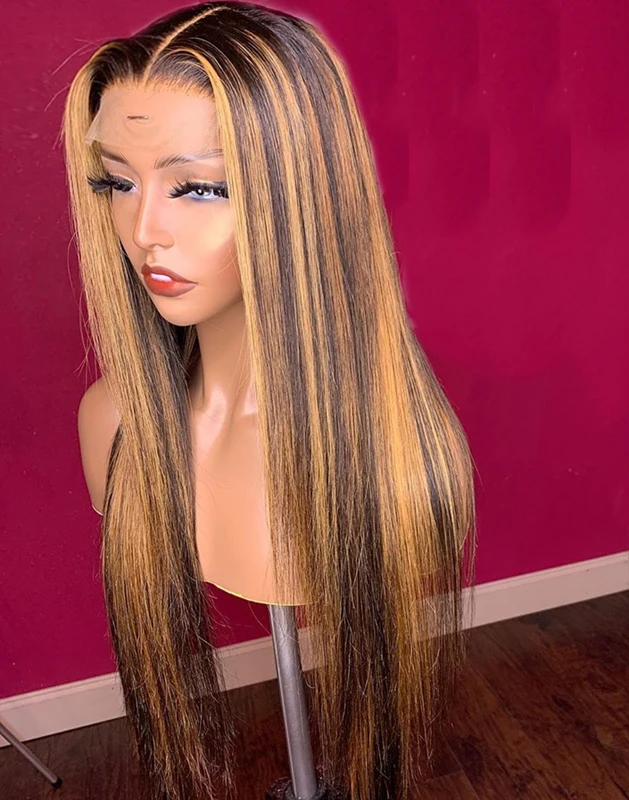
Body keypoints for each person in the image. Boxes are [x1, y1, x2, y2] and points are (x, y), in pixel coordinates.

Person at [62, 3, 476, 799]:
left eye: (199, 187)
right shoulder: (112, 424)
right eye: (117, 181)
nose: (144, 229)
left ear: (304, 194)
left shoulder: (399, 462)